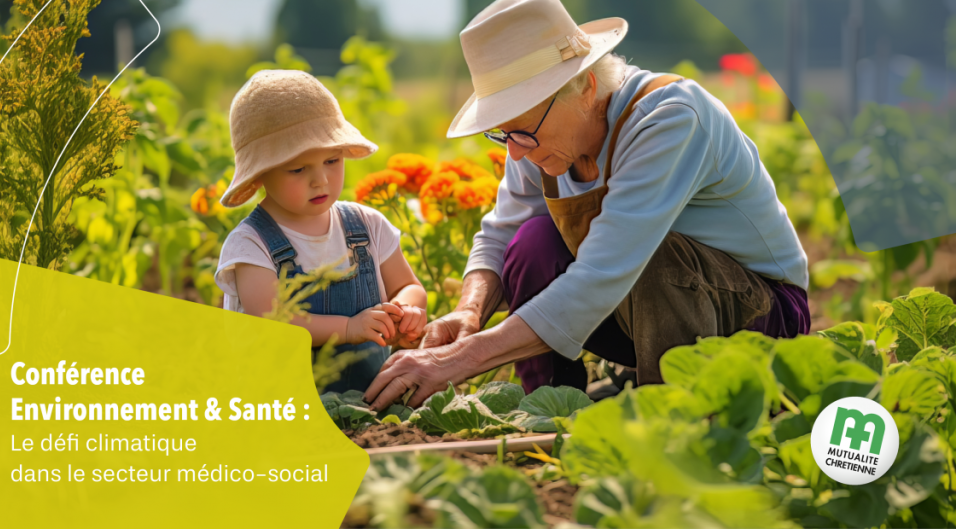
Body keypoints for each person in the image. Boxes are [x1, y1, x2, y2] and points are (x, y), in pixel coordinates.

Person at [364, 0, 810, 411]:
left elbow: (604, 273)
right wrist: (469, 312)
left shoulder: (670, 117)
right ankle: (551, 407)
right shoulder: (537, 137)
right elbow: (500, 234)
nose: (514, 152)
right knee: (532, 242)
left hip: (761, 315)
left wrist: (457, 361)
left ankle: (674, 417)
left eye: (520, 130)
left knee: (652, 256)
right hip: (652, 310)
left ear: (585, 88)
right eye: (503, 132)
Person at [215, 70, 428, 393]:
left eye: (332, 160)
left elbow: (409, 286)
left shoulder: (366, 226)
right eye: (298, 169)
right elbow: (274, 322)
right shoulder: (251, 245)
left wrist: (406, 310)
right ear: (259, 175)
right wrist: (348, 328)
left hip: (368, 403)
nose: (321, 180)